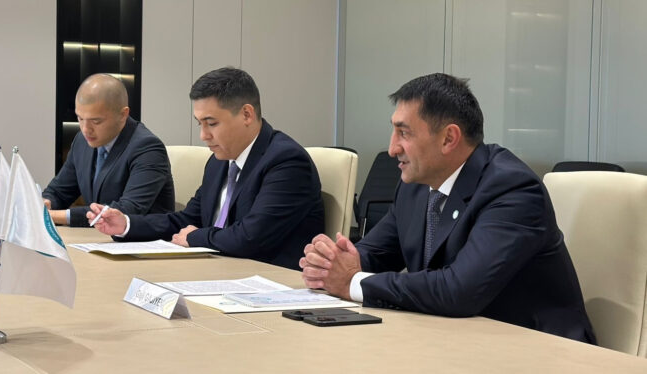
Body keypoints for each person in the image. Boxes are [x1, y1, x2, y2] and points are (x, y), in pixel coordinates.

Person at [299, 73, 596, 343]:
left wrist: (352, 282)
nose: (392, 148)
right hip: (456, 338)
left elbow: (459, 290)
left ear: (448, 138)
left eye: (404, 133)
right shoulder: (415, 185)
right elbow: (376, 253)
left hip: (539, 347)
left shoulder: (512, 188)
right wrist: (332, 263)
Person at [90, 67, 325, 270]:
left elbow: (250, 237)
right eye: (200, 124)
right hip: (219, 271)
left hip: (269, 282)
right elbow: (188, 219)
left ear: (246, 114)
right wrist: (127, 224)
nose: (203, 135)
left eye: (211, 123)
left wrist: (195, 237)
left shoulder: (287, 162)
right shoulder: (219, 161)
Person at [43, 74, 174, 227]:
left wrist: (51, 216)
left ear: (123, 114)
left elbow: (126, 210)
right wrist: (46, 202)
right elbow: (59, 191)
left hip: (142, 239)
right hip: (98, 237)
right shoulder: (82, 141)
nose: (85, 129)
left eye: (96, 121)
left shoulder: (148, 148)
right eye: (80, 118)